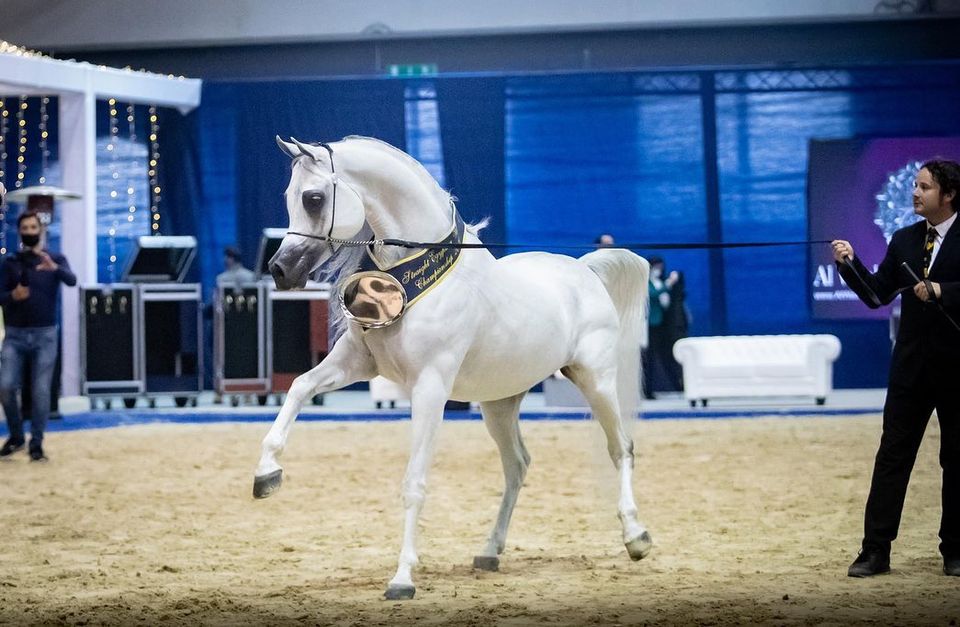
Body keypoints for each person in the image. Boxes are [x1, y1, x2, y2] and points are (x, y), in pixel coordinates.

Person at [832, 159, 960, 578]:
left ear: (949, 194)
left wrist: (944, 290)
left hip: (957, 368)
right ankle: (875, 551)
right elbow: (876, 295)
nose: (915, 193)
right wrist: (849, 265)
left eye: (924, 187)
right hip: (910, 369)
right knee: (892, 457)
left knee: (956, 460)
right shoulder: (904, 239)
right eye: (915, 186)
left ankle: (955, 551)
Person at [0, 210, 77, 462]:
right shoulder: (10, 262)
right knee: (6, 386)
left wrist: (54, 268)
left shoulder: (54, 259)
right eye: (26, 228)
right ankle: (16, 436)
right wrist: (12, 296)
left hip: (45, 335)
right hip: (14, 335)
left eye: (34, 228)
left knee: (42, 390)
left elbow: (72, 280)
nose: (30, 232)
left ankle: (37, 442)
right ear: (20, 231)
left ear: (41, 231)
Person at [642, 256, 681, 399]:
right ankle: (648, 390)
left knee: (668, 357)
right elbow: (651, 294)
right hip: (650, 326)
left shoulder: (660, 282)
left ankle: (678, 386)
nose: (658, 270)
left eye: (660, 267)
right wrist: (668, 283)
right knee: (649, 359)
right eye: (656, 267)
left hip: (663, 326)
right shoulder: (646, 283)